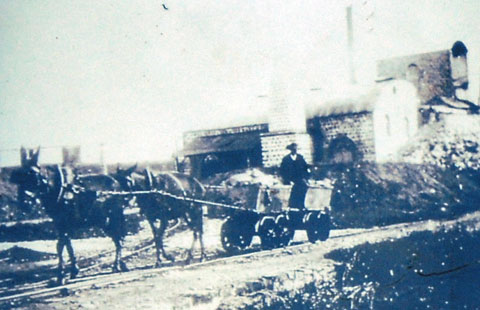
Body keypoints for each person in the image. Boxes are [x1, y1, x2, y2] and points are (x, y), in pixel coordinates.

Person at [279, 143, 309, 209]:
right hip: (289, 179)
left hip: (299, 179)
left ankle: (301, 205)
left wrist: (305, 178)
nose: (295, 151)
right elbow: (282, 171)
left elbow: (305, 168)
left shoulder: (300, 158)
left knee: (302, 188)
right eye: (293, 149)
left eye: (296, 149)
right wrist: (287, 180)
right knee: (292, 191)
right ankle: (292, 205)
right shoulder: (286, 159)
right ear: (291, 150)